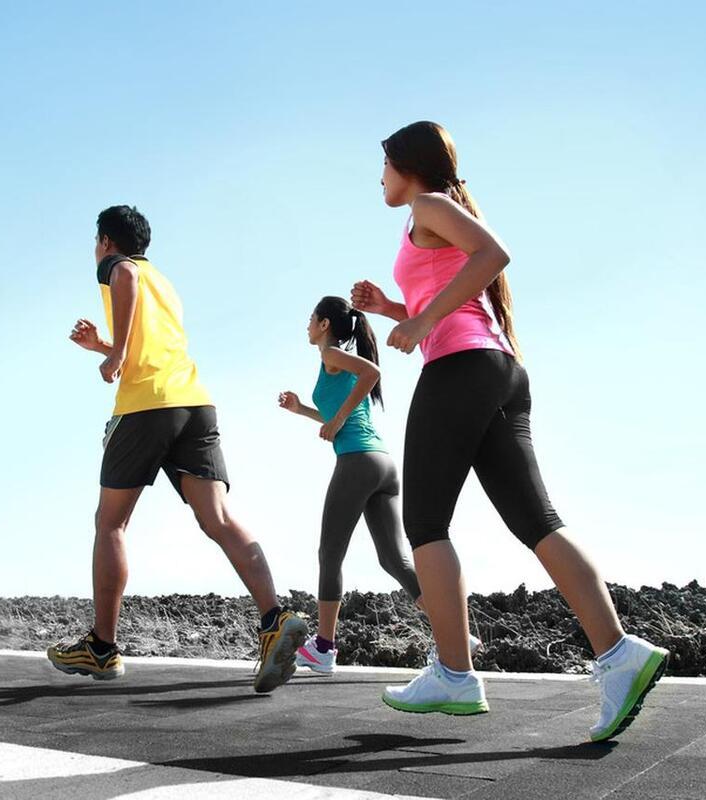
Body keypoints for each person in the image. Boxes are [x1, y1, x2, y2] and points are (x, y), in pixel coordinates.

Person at [353, 122, 668, 741]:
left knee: (425, 524)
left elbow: (494, 255)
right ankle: (619, 654)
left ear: (407, 166)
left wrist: (421, 324)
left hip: (461, 370)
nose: (379, 178)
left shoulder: (428, 204)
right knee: (537, 521)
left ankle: (454, 672)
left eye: (383, 164)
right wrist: (393, 310)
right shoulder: (431, 212)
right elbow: (457, 290)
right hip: (496, 371)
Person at [48, 205, 307, 692]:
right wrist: (104, 346)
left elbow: (125, 281)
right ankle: (275, 617)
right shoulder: (164, 283)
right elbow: (151, 347)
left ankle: (102, 648)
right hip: (195, 404)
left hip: (147, 406)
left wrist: (115, 353)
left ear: (106, 242)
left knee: (110, 523)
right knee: (218, 519)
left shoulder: (118, 267)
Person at [278, 296, 479, 675]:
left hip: (357, 462)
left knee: (329, 553)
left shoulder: (332, 355)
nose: (307, 325)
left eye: (311, 318)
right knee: (393, 559)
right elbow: (339, 413)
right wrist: (302, 409)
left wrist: (337, 420)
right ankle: (457, 635)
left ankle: (323, 648)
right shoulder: (331, 362)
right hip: (381, 464)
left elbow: (371, 372)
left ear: (324, 324)